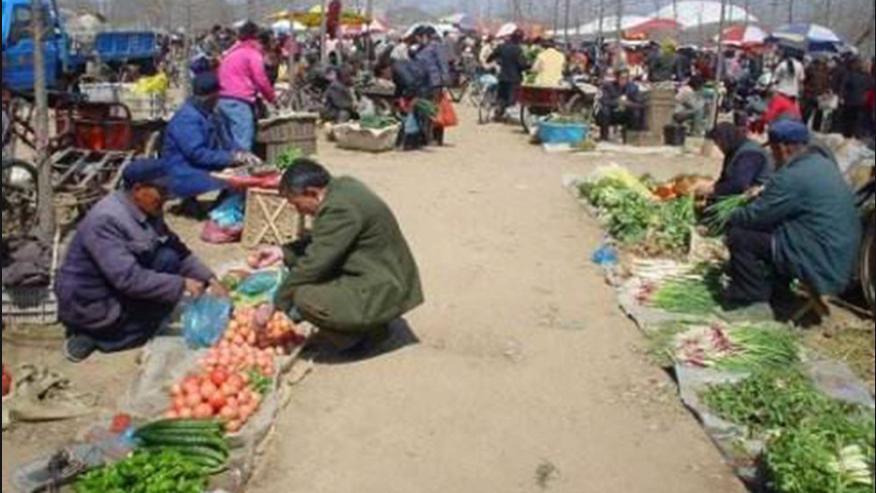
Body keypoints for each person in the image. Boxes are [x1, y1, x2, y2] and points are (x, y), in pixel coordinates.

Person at [55, 160, 226, 362]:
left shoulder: (148, 209)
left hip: (117, 286)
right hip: (91, 300)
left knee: (168, 258)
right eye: (161, 192)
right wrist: (181, 284)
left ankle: (124, 323)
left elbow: (177, 249)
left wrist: (209, 278)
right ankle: (91, 336)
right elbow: (127, 278)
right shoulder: (106, 220)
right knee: (150, 324)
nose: (166, 198)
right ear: (138, 189)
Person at [248, 160, 424, 355]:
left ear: (312, 192)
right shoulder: (342, 186)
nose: (298, 211)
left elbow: (314, 265)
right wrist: (282, 252)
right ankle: (370, 324)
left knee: (304, 297)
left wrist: (274, 306)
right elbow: (324, 242)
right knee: (306, 278)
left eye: (296, 203)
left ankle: (359, 338)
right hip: (385, 275)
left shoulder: (338, 210)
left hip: (384, 285)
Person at [723, 120, 861, 308]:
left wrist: (730, 215)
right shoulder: (821, 164)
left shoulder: (791, 176)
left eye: (772, 150)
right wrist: (765, 192)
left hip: (820, 262)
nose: (772, 156)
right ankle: (779, 291)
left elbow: (755, 217)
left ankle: (752, 299)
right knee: (778, 231)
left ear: (782, 148)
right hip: (838, 256)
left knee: (739, 236)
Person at [161, 73, 259, 201]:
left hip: (206, 166)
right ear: (210, 97)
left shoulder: (213, 114)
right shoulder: (187, 119)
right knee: (232, 179)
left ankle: (226, 203)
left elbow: (227, 141)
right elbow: (197, 154)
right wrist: (231, 158)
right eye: (216, 97)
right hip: (184, 172)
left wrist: (242, 153)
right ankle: (216, 206)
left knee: (246, 174)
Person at [217, 21, 277, 151]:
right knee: (243, 140)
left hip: (222, 98)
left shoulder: (233, 52)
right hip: (238, 100)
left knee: (229, 140)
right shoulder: (252, 54)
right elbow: (261, 80)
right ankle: (242, 168)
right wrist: (272, 98)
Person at [702, 122, 773, 199]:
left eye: (719, 143)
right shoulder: (732, 151)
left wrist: (712, 189)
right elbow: (725, 178)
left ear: (726, 139)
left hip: (757, 198)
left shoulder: (749, 154)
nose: (719, 147)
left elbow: (738, 185)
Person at [488, 30, 529, 121]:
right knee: (511, 98)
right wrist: (528, 66)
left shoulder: (502, 46)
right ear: (519, 39)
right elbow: (522, 64)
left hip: (502, 76)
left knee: (501, 96)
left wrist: (489, 61)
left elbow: (492, 56)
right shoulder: (518, 49)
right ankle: (506, 114)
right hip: (514, 78)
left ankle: (498, 112)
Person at [596, 69, 645, 141]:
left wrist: (628, 103)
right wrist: (617, 102)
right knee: (604, 110)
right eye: (622, 78)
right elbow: (604, 101)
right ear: (617, 78)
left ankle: (631, 137)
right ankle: (604, 137)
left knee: (636, 112)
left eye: (626, 78)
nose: (624, 80)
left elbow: (639, 104)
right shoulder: (609, 86)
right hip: (612, 113)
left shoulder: (633, 88)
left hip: (626, 113)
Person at [839, 57, 874, 139]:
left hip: (850, 101)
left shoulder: (849, 74)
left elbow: (843, 86)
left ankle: (847, 135)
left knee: (848, 119)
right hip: (860, 101)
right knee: (857, 119)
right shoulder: (866, 76)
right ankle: (854, 135)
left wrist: (841, 97)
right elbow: (871, 85)